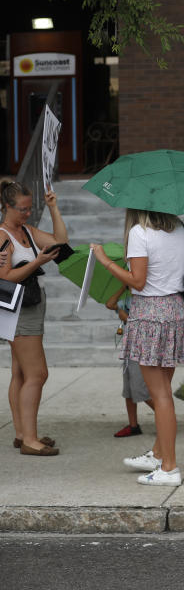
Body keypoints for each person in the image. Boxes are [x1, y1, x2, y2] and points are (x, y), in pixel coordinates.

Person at [92, 209, 184, 486]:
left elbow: (138, 281)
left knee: (159, 396)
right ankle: (159, 455)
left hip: (149, 312)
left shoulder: (139, 233)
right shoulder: (179, 228)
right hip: (174, 308)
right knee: (163, 395)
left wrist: (104, 261)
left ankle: (169, 468)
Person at [0, 181, 68, 456]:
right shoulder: (3, 236)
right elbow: (4, 278)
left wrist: (53, 208)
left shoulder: (26, 231)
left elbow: (60, 243)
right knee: (38, 374)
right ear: (7, 207)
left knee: (20, 372)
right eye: (22, 209)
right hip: (19, 310)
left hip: (31, 306)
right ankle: (30, 439)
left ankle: (21, 434)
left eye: (30, 208)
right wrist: (37, 263)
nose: (27, 213)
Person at [106, 285, 155, 437]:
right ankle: (133, 425)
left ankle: (166, 417)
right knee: (128, 390)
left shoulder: (148, 301)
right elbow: (109, 304)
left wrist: (125, 318)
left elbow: (146, 328)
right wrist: (122, 287)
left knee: (141, 389)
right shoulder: (127, 300)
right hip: (129, 348)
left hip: (142, 349)